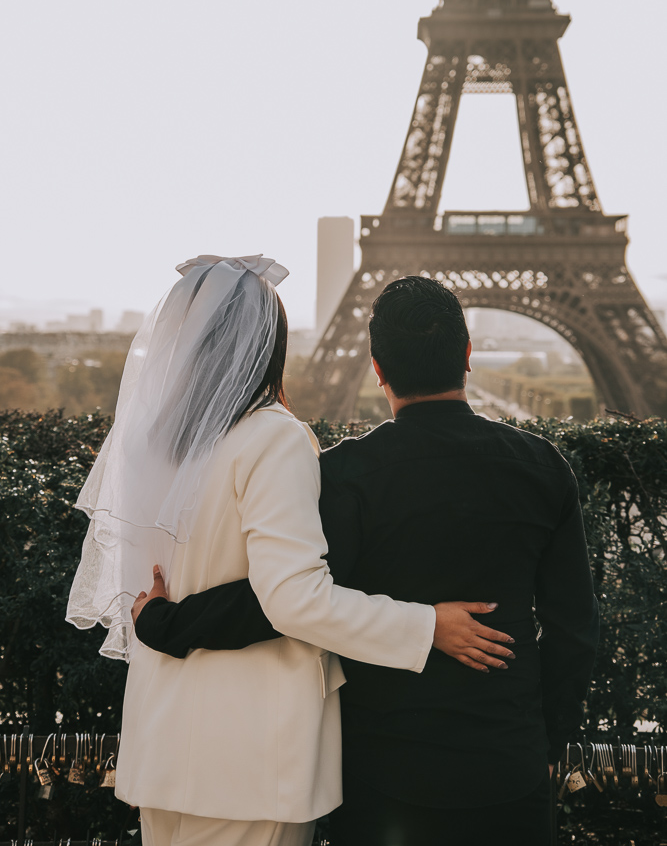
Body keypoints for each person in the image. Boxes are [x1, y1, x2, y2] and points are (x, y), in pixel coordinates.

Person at [134, 275, 600, 846]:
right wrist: (544, 744)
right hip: (509, 761)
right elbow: (574, 629)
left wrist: (166, 622)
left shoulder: (347, 475)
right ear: (469, 356)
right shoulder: (543, 467)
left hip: (384, 773)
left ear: (376, 368)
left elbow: (280, 600)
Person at [67, 257, 514, 846]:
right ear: (268, 346)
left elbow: (154, 591)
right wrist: (425, 625)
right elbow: (294, 600)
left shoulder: (156, 445)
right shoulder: (273, 437)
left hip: (163, 742)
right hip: (251, 756)